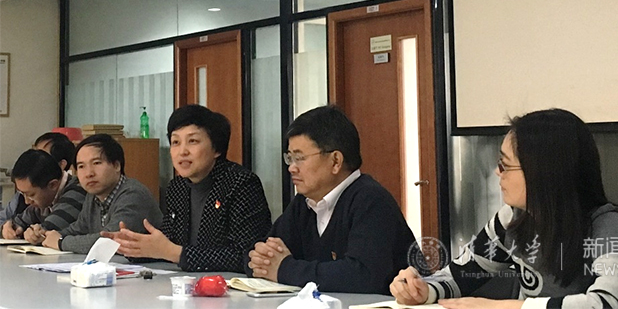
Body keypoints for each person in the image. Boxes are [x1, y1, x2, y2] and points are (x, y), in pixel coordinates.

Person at [390, 108, 618, 309]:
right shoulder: (513, 219)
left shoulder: (609, 227)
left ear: (543, 173)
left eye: (505, 165)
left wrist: (509, 307)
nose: (497, 172)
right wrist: (421, 290)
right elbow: (460, 275)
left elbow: (609, 303)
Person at [246, 105, 416, 294]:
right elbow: (261, 254)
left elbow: (362, 276)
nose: (291, 168)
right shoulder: (304, 203)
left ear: (335, 161)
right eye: (290, 158)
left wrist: (284, 269)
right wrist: (259, 259)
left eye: (299, 158)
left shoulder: (371, 200)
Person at [102, 105, 272, 272]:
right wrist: (134, 246)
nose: (182, 151)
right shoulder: (177, 187)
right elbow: (167, 243)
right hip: (186, 283)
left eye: (193, 141)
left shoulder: (241, 183)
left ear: (216, 149)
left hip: (231, 285)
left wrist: (176, 253)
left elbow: (247, 255)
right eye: (175, 142)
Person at [42, 134, 163, 254]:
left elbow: (111, 241)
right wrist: (45, 236)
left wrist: (61, 242)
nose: (89, 173)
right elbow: (78, 229)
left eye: (96, 163)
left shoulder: (133, 195)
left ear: (116, 165)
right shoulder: (93, 196)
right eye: (81, 166)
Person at [1, 132, 82, 243]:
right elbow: (19, 222)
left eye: (31, 195)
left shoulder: (77, 190)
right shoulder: (42, 199)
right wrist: (9, 228)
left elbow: (51, 227)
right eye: (23, 194)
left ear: (52, 185)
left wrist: (34, 233)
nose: (27, 201)